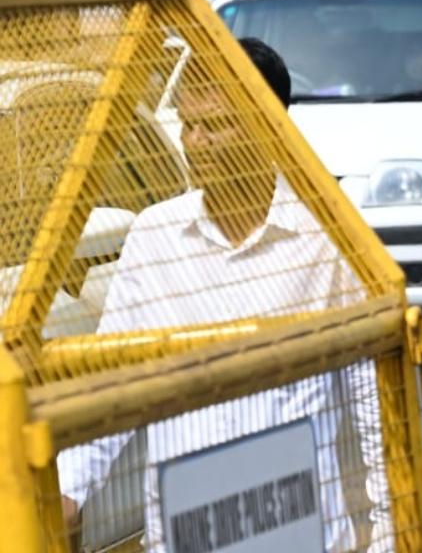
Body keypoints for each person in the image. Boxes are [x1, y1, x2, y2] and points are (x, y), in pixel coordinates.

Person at [58, 39, 393, 552]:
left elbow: (373, 401)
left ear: (268, 128)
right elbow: (109, 384)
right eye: (188, 125)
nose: (196, 143)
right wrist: (66, 494)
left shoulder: (328, 238)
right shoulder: (156, 238)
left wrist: (390, 533)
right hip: (186, 538)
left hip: (303, 537)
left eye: (214, 125)